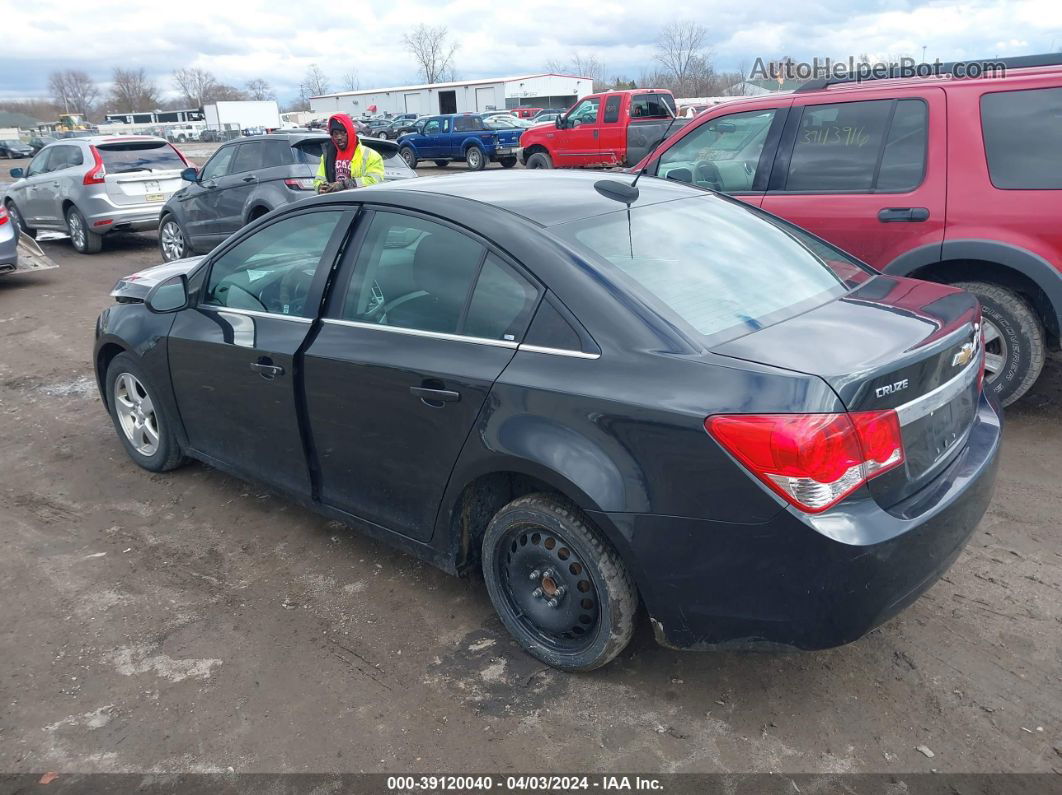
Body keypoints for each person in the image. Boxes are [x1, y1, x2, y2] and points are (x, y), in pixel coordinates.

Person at [314, 113, 385, 193]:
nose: (339, 137)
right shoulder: (327, 156)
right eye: (335, 134)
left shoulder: (370, 155)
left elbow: (375, 180)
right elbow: (318, 180)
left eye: (343, 133)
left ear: (350, 132)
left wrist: (344, 185)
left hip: (359, 203)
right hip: (335, 203)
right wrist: (321, 187)